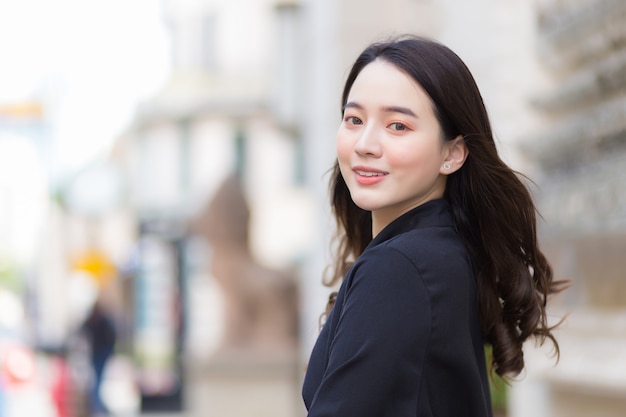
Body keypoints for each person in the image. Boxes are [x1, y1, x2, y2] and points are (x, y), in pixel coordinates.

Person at [302, 35, 566, 417]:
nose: (365, 144)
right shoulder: (445, 253)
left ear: (452, 153)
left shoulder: (399, 268)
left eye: (397, 126)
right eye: (354, 119)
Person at [80, 297, 117, 416]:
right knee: (97, 381)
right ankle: (99, 407)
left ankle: (98, 407)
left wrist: (109, 350)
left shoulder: (102, 321)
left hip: (101, 353)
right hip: (98, 354)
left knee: (98, 381)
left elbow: (111, 336)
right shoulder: (95, 320)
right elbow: (82, 329)